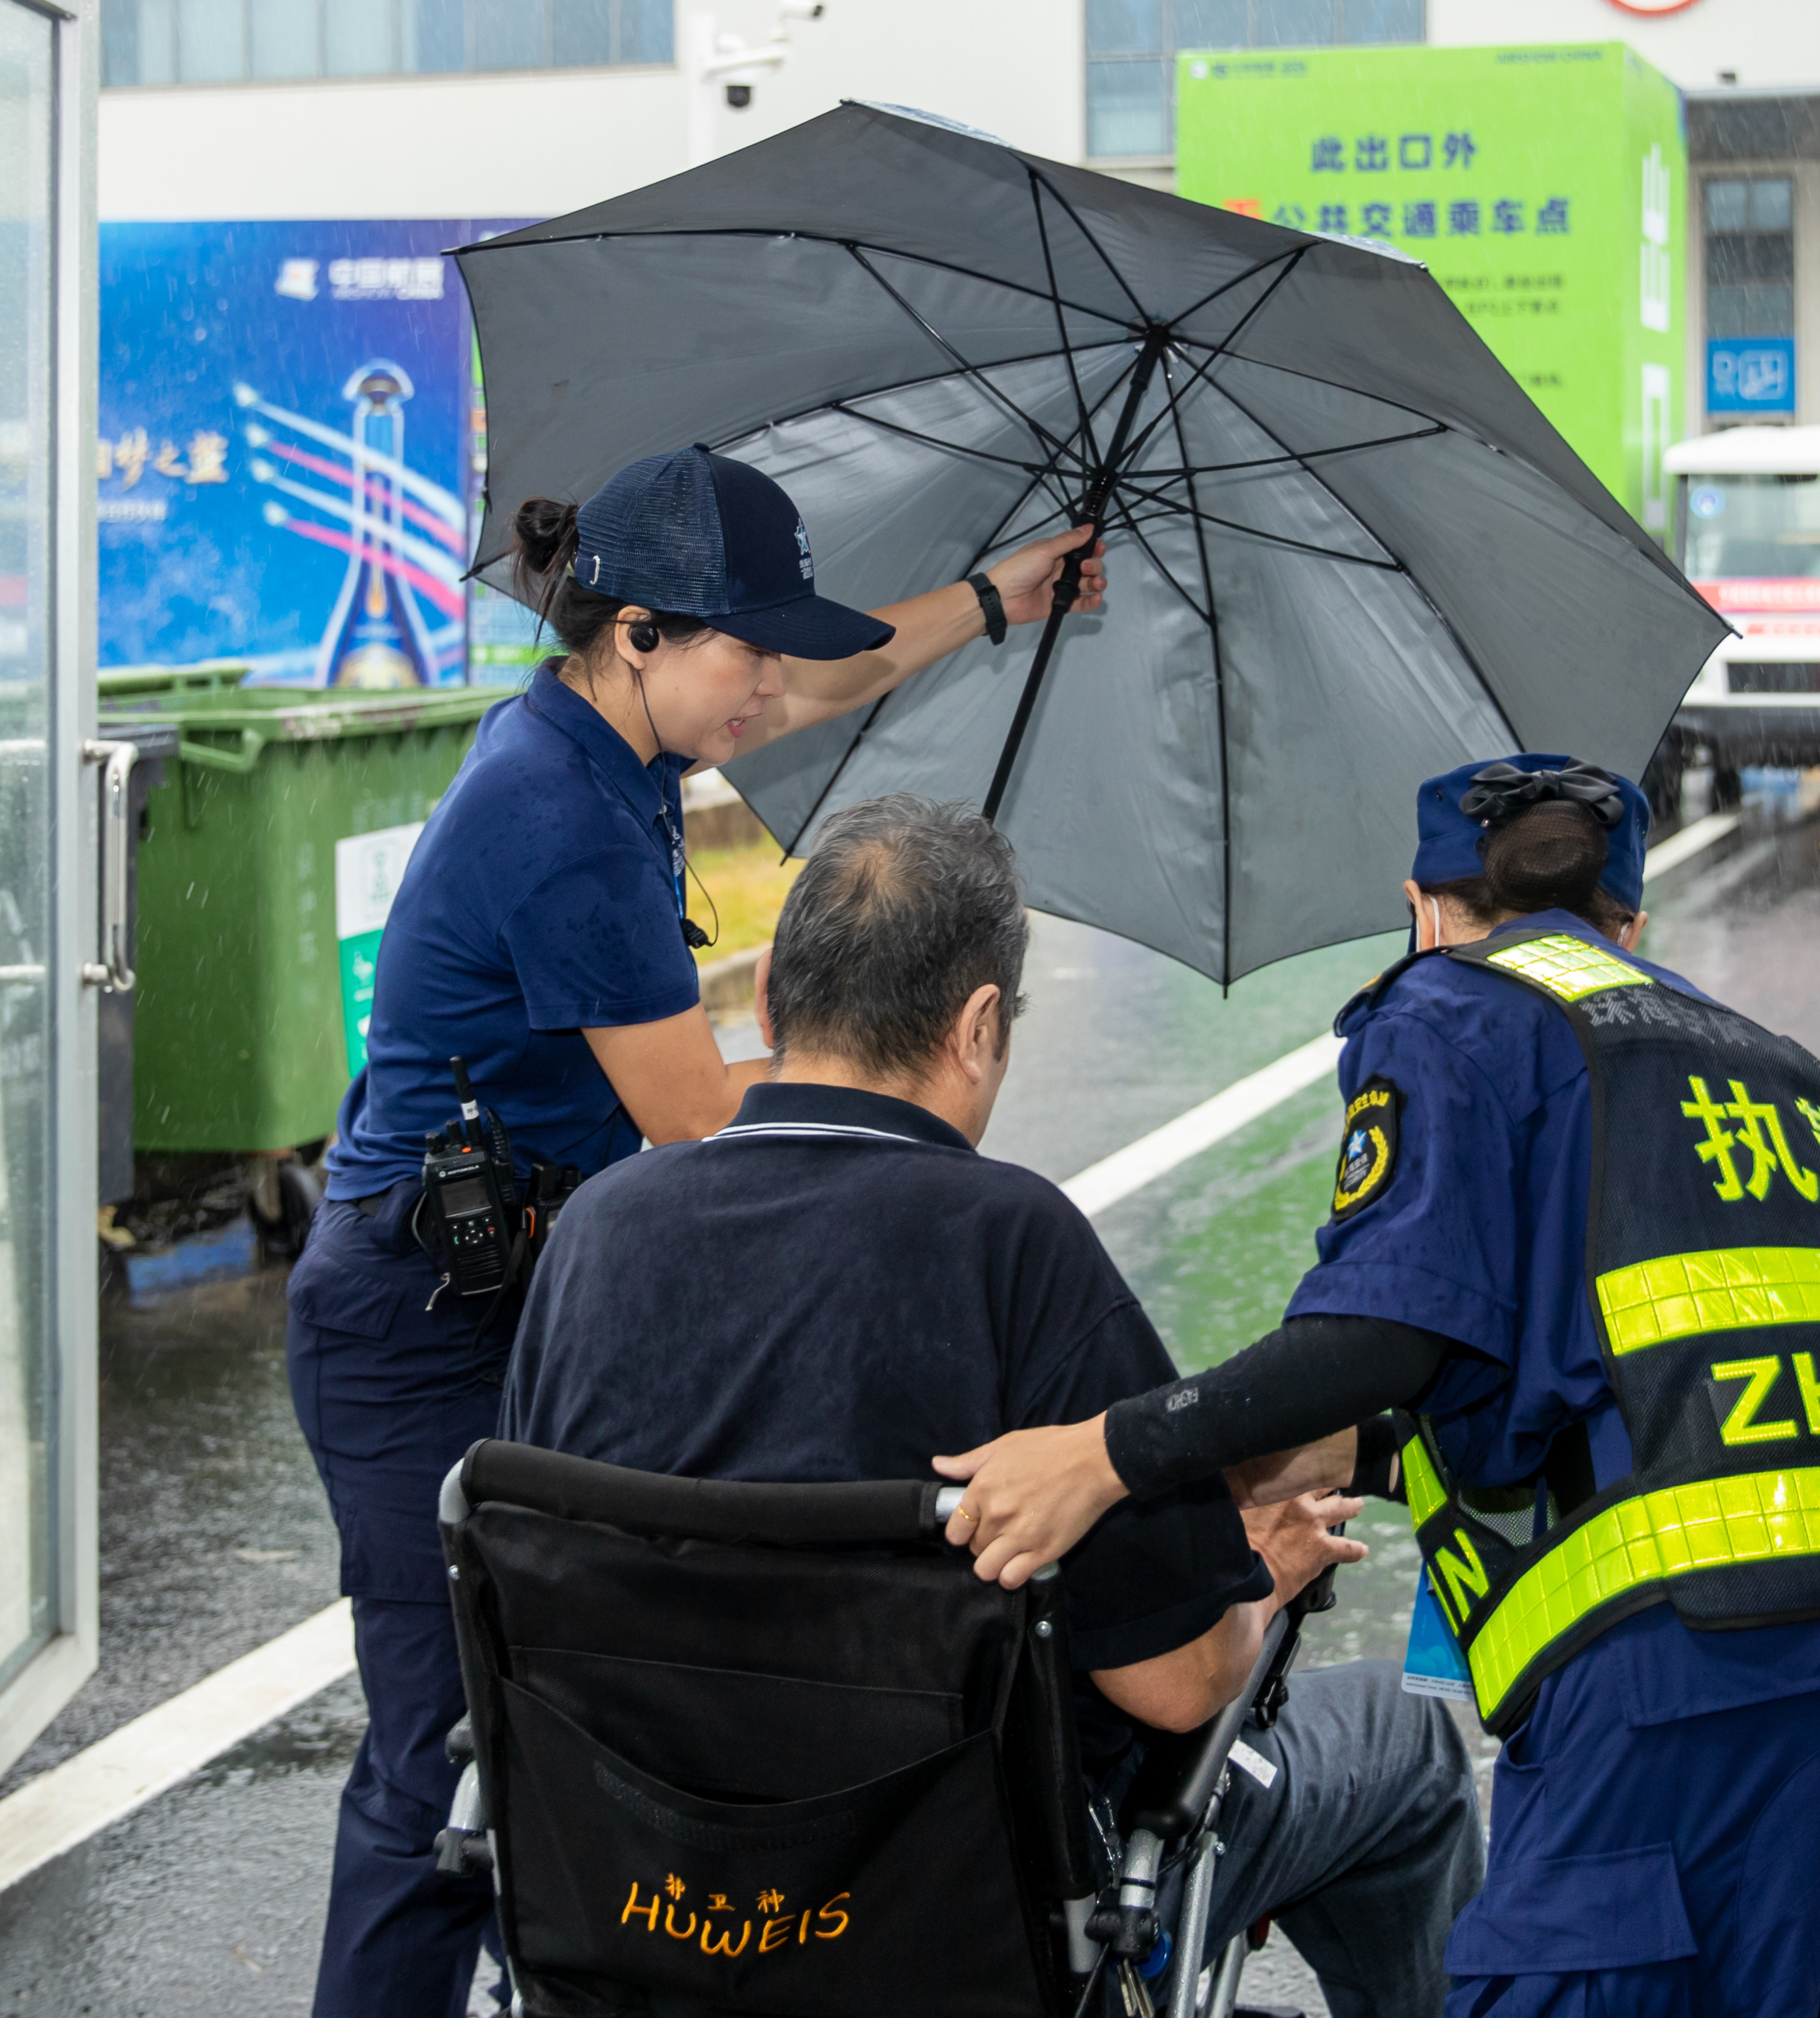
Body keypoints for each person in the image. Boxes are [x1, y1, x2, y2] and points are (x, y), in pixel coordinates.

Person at [934, 756, 1820, 2017]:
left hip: (1703, 1660)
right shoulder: (1761, 1059)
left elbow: (1382, 1336)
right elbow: (1668, 1366)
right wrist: (1374, 1451)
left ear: (1424, 910)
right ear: (1631, 926)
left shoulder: (1450, 1005)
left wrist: (1103, 1457)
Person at [283, 444, 1101, 2018]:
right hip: (414, 1327)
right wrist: (899, 1077)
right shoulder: (557, 821)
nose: (771, 684)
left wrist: (997, 601)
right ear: (640, 631)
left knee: (580, 1710)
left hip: (527, 1280)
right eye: (748, 643)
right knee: (440, 1761)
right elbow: (700, 1123)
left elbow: (813, 691)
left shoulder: (613, 745)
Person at [499, 795, 1485, 2017]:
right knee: (1407, 1745)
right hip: (950, 1913)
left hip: (646, 1883)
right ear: (977, 1028)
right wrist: (1252, 1580)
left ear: (765, 1008)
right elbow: (1177, 1684)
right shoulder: (1012, 1246)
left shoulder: (598, 1231)